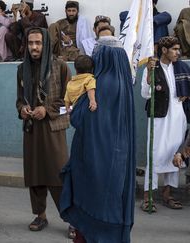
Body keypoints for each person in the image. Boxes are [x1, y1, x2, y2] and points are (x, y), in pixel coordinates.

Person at [60, 33, 136, 243]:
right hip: (119, 158)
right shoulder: (125, 83)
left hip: (95, 160)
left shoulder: (98, 84)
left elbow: (79, 118)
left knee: (92, 211)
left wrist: (74, 107)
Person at [15, 28, 70, 233]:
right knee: (35, 174)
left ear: (46, 44)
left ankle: (72, 218)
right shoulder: (22, 69)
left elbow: (69, 102)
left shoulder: (60, 67)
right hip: (31, 128)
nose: (34, 47)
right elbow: (19, 98)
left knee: (58, 175)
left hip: (53, 129)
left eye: (38, 43)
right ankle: (40, 216)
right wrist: (22, 109)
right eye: (30, 43)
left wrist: (46, 110)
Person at [140, 36, 187, 212]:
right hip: (159, 116)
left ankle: (168, 194)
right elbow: (145, 94)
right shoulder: (151, 67)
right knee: (155, 153)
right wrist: (149, 78)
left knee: (175, 154)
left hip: (178, 116)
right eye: (174, 49)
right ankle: (147, 196)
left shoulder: (181, 67)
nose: (178, 52)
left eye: (178, 49)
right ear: (164, 50)